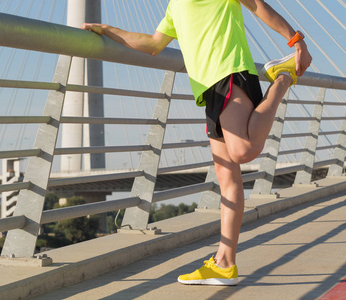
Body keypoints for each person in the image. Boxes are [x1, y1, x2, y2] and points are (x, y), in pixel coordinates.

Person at [82, 0, 312, 286]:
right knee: (227, 178)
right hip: (208, 91)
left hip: (231, 73)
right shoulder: (174, 7)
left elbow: (257, 5)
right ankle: (224, 263)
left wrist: (296, 40)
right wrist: (106, 30)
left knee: (243, 150)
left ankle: (282, 79)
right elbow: (153, 44)